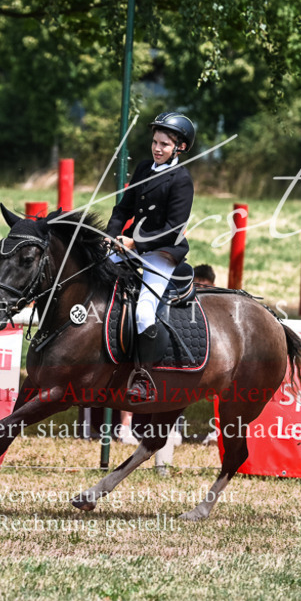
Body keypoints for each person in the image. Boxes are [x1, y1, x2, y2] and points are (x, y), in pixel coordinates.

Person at [106, 112, 196, 402]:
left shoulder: (182, 179)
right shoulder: (144, 168)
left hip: (162, 252)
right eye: (155, 142)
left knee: (144, 312)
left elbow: (173, 229)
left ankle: (143, 377)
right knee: (97, 276)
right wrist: (110, 235)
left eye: (164, 144)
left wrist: (134, 242)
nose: (157, 148)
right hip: (130, 244)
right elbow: (123, 208)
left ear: (180, 147)